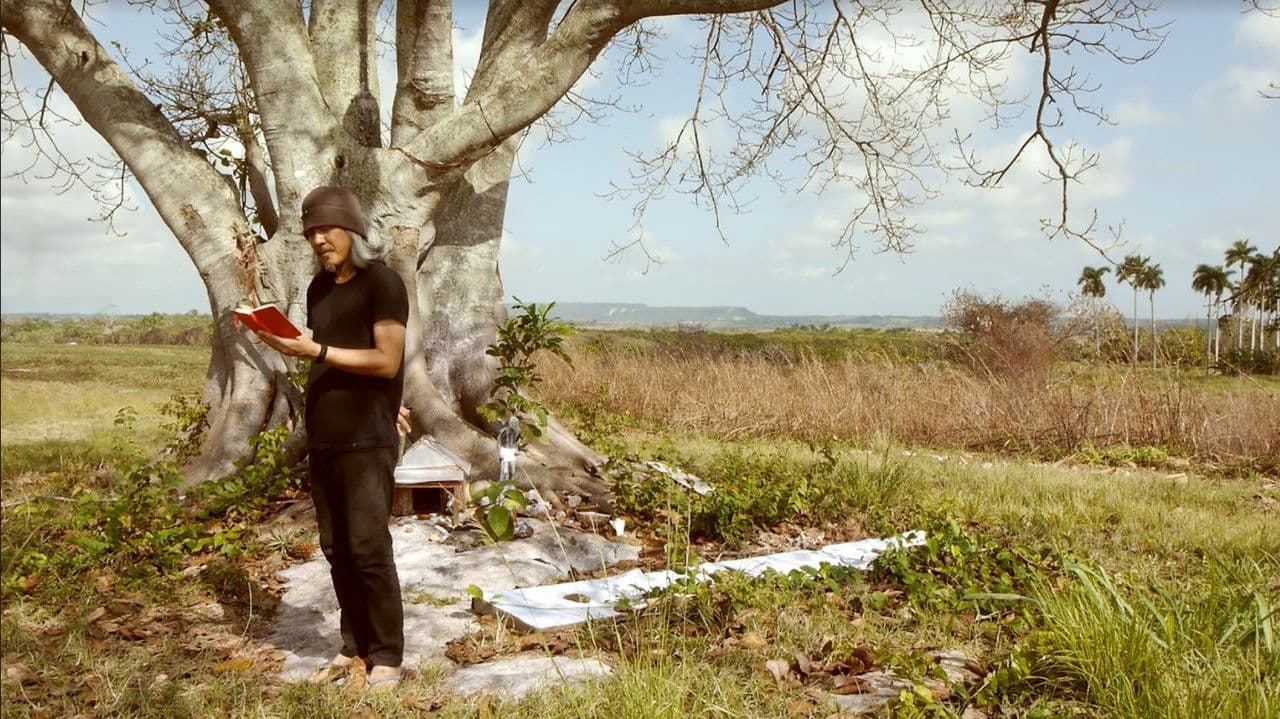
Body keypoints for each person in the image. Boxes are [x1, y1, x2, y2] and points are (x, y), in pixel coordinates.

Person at [251, 185, 408, 691]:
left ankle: (387, 653)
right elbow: (330, 352)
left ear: (353, 230)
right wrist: (290, 344)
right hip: (325, 436)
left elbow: (386, 361)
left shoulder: (383, 283)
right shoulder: (319, 288)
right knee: (336, 547)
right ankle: (354, 643)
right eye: (311, 232)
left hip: (367, 438)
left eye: (327, 229)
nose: (319, 240)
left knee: (367, 547)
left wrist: (314, 351)